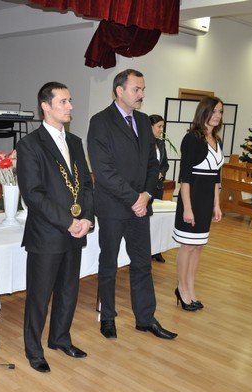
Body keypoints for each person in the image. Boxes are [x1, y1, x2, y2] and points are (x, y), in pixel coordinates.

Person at [87, 69, 177, 341]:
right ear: (120, 90)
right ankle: (108, 317)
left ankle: (145, 318)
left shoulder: (141, 120)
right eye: (136, 89)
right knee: (109, 264)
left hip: (141, 205)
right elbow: (103, 171)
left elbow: (152, 164)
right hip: (113, 206)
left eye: (143, 89)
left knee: (142, 264)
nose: (141, 94)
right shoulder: (100, 122)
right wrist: (134, 198)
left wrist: (147, 195)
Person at [17, 82, 94, 373]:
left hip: (76, 230)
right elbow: (33, 194)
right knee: (39, 296)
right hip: (47, 233)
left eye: (70, 100)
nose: (70, 106)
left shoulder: (75, 141)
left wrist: (86, 219)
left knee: (68, 291)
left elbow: (86, 184)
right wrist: (68, 222)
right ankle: (33, 349)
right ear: (45, 107)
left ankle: (60, 338)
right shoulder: (29, 145)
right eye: (63, 101)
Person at [172, 96, 224, 311]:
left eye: (220, 112)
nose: (217, 115)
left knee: (198, 247)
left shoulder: (217, 140)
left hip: (206, 202)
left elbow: (216, 178)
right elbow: (184, 178)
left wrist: (217, 205)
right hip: (191, 201)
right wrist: (187, 208)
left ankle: (190, 289)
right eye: (214, 111)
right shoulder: (192, 139)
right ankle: (182, 289)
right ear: (204, 112)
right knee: (187, 246)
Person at [149, 114, 169, 263]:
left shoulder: (161, 144)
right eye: (159, 126)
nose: (161, 129)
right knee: (147, 220)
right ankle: (146, 250)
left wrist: (161, 172)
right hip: (146, 187)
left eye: (162, 126)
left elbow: (165, 164)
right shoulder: (142, 142)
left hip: (158, 185)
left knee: (157, 219)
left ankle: (156, 251)